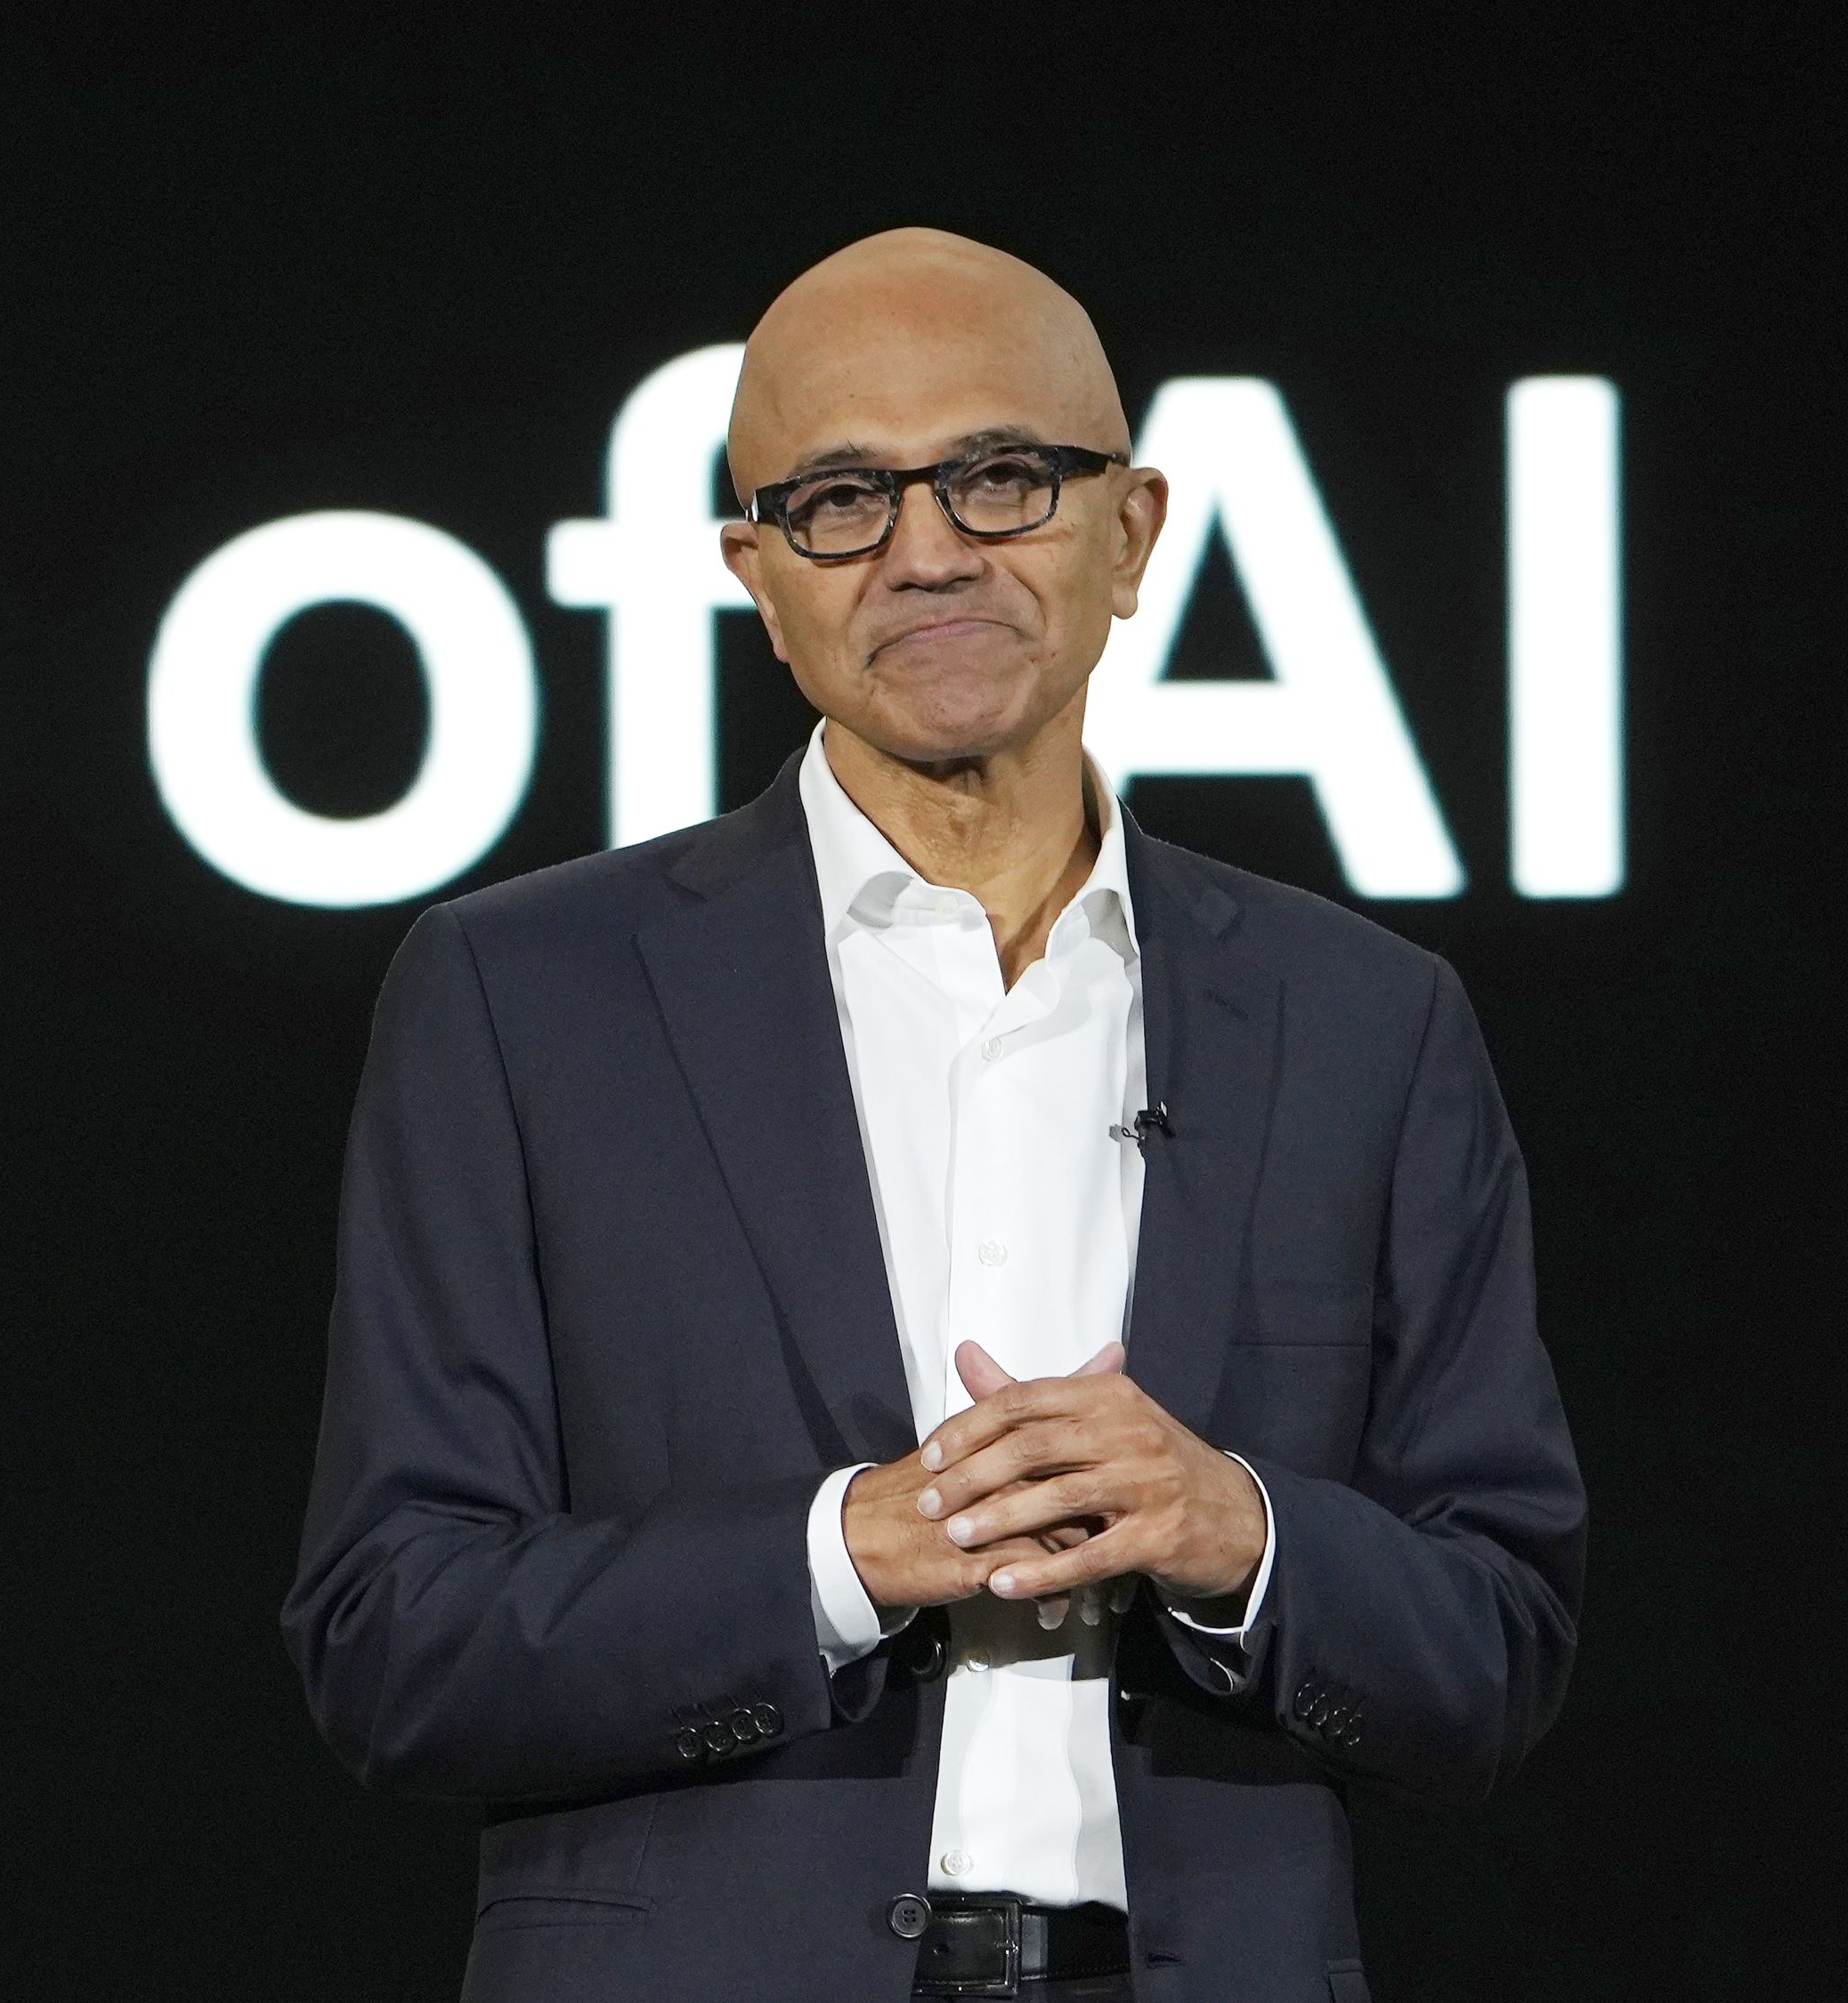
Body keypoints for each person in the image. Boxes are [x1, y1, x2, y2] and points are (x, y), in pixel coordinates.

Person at [280, 229, 1584, 2001]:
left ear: (1128, 531)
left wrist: (1233, 1533)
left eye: (993, 477)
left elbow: (1494, 1650)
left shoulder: (1363, 1021)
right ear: (756, 571)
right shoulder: (521, 1001)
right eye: (837, 499)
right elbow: (390, 1641)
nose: (922, 553)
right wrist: (839, 1555)